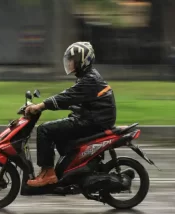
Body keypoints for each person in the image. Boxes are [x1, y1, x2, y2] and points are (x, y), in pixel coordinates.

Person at [25, 41, 117, 187]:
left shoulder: (90, 80)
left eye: (72, 60)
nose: (69, 63)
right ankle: (67, 170)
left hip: (93, 121)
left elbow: (67, 97)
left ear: (83, 61)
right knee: (59, 134)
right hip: (91, 118)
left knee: (45, 130)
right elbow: (70, 99)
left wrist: (41, 106)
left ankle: (48, 173)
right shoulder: (87, 77)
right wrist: (44, 106)